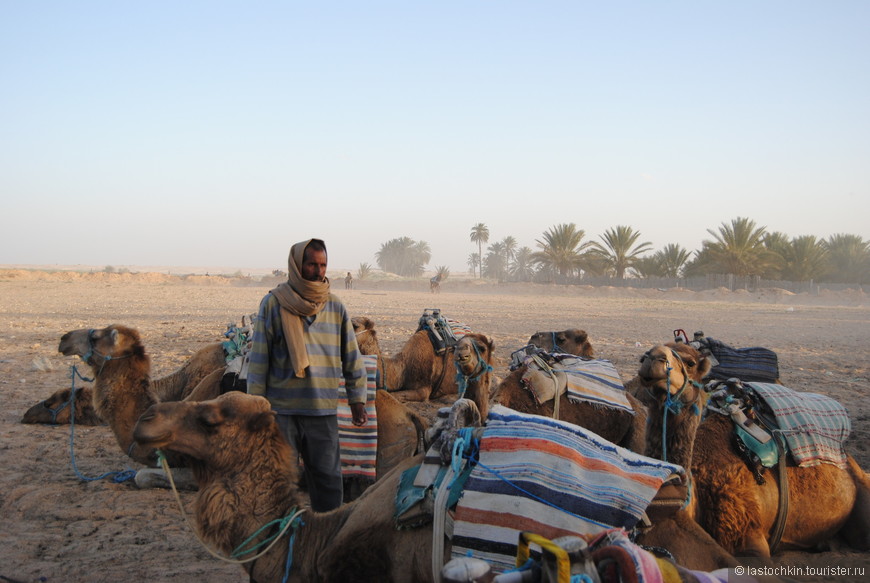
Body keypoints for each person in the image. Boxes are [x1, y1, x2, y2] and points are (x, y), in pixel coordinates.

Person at [247, 238, 368, 512]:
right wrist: (255, 409)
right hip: (281, 413)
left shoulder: (336, 307)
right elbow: (259, 361)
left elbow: (351, 356)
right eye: (312, 264)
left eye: (323, 264)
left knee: (328, 482)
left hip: (322, 411)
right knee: (279, 483)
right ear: (297, 265)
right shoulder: (273, 304)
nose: (318, 270)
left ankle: (326, 541)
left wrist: (356, 399)